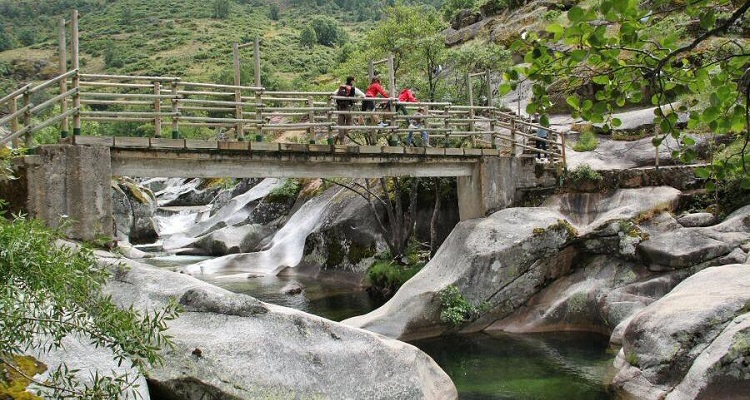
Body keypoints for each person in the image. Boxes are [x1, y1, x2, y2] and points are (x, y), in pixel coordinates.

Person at [333, 76, 363, 145]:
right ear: (352, 81)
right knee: (350, 124)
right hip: (348, 108)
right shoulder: (353, 88)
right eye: (354, 80)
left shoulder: (341, 88)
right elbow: (363, 95)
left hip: (340, 108)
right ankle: (338, 137)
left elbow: (333, 94)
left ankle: (341, 140)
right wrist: (357, 98)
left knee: (340, 124)